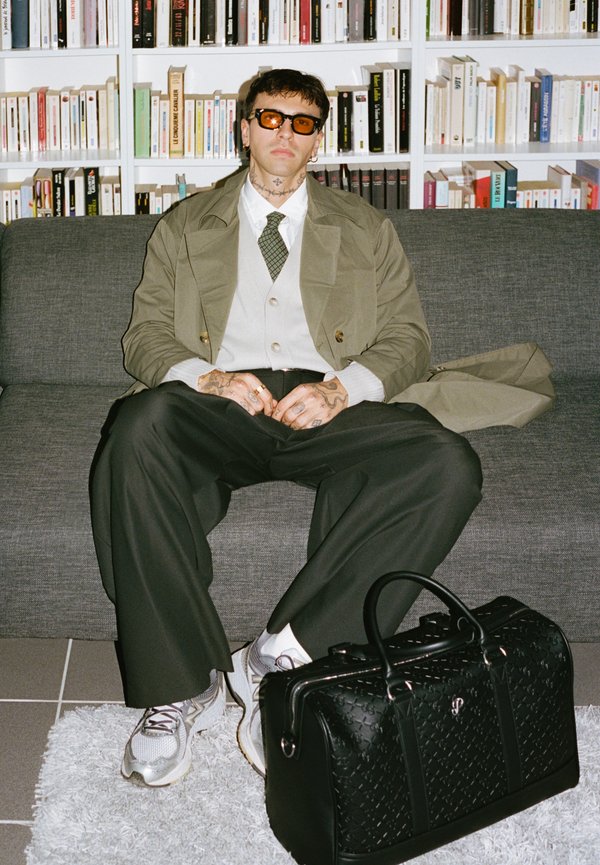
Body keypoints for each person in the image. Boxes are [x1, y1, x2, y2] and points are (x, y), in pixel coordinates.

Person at [90, 68, 483, 788]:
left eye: (302, 124)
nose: (283, 134)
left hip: (327, 406)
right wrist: (206, 378)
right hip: (223, 405)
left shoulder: (365, 227)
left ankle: (288, 653)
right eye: (270, 118)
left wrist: (341, 389)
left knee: (448, 461)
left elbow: (408, 338)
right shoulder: (185, 224)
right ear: (245, 128)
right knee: (138, 425)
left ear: (318, 141)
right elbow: (143, 337)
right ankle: (180, 685)